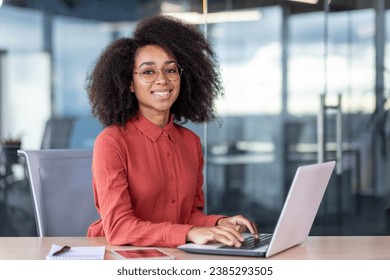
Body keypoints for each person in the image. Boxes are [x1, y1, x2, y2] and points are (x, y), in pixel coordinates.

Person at [86, 14, 259, 248]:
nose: (162, 80)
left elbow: (187, 216)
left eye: (171, 70)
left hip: (172, 255)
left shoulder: (190, 142)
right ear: (129, 83)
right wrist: (190, 233)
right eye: (148, 72)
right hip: (119, 255)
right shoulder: (112, 141)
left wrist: (219, 223)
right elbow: (119, 228)